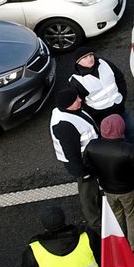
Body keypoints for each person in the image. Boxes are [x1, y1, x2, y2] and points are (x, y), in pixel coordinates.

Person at [82, 114, 134, 251]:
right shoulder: (129, 149)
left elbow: (88, 165)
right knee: (133, 214)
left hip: (107, 188)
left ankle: (119, 241)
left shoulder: (92, 146)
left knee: (116, 214)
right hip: (128, 189)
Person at [49, 90, 100, 230]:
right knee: (88, 192)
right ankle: (95, 221)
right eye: (76, 99)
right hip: (84, 164)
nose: (80, 100)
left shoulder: (69, 112)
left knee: (92, 190)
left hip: (89, 159)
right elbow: (72, 154)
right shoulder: (64, 126)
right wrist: (83, 173)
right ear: (67, 104)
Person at [68, 48, 134, 144]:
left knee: (131, 132)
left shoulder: (105, 63)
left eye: (91, 55)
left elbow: (120, 79)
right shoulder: (76, 80)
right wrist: (93, 113)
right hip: (101, 116)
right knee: (111, 141)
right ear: (78, 62)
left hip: (119, 108)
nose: (90, 59)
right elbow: (80, 102)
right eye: (85, 57)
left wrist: (122, 96)